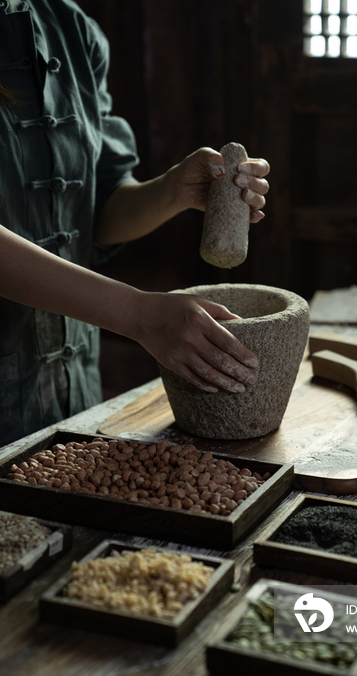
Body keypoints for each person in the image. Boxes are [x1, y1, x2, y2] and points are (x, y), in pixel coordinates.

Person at [0, 0, 270, 446]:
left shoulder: (69, 28)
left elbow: (97, 217)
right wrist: (135, 313)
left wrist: (173, 190)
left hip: (69, 389)